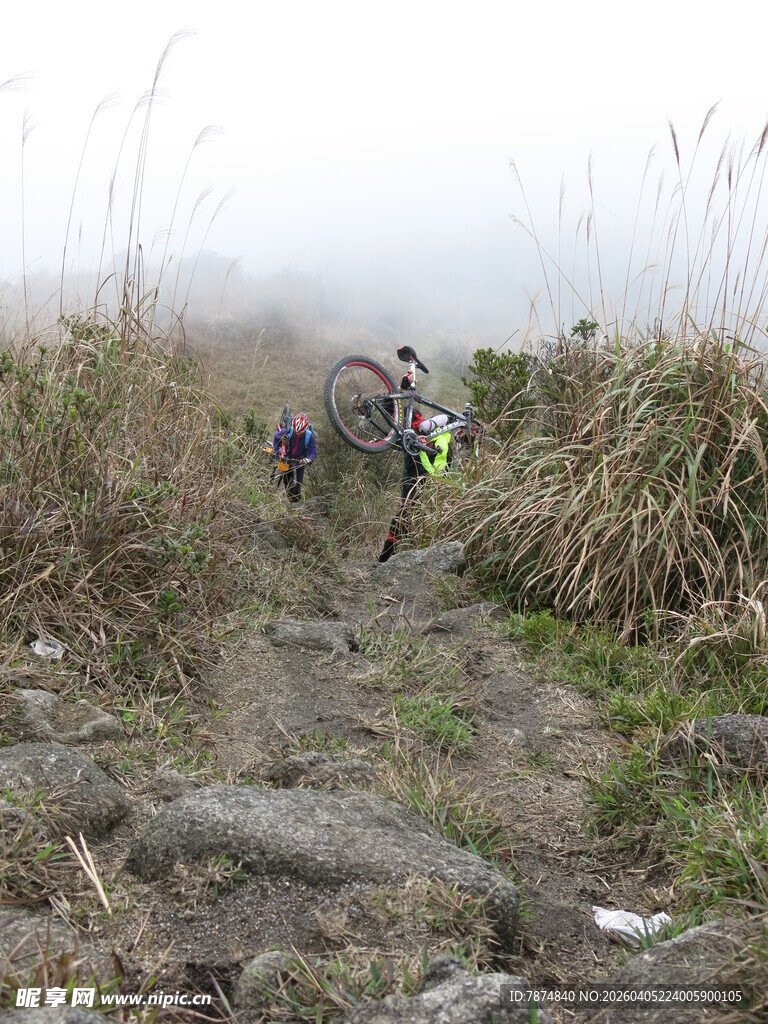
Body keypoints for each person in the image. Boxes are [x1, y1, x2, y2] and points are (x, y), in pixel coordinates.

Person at [378, 372, 451, 562]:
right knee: (403, 517)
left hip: (434, 487)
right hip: (412, 478)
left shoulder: (441, 437)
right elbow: (389, 407)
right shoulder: (410, 428)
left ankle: (402, 558)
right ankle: (385, 560)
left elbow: (448, 464)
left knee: (415, 520)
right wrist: (401, 388)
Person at [272, 412, 317, 502]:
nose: (298, 433)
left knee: (296, 490)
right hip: (286, 460)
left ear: (305, 430)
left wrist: (309, 459)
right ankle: (289, 502)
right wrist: (276, 451)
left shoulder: (309, 436)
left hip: (299, 462)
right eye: (296, 431)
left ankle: (295, 503)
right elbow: (276, 437)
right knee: (287, 484)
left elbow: (313, 452)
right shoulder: (288, 430)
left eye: (300, 432)